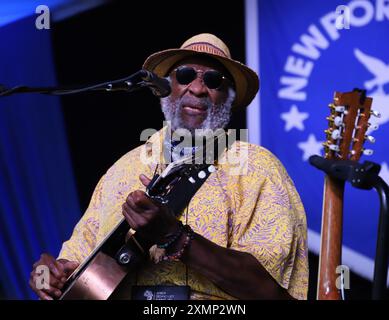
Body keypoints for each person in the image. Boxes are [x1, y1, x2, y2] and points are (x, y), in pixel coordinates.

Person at [29, 33, 308, 300]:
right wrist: (52, 275)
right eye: (185, 75)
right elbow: (77, 259)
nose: (198, 89)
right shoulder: (122, 169)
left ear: (229, 98)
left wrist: (173, 236)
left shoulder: (257, 168)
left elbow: (269, 290)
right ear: (164, 87)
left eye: (214, 80)